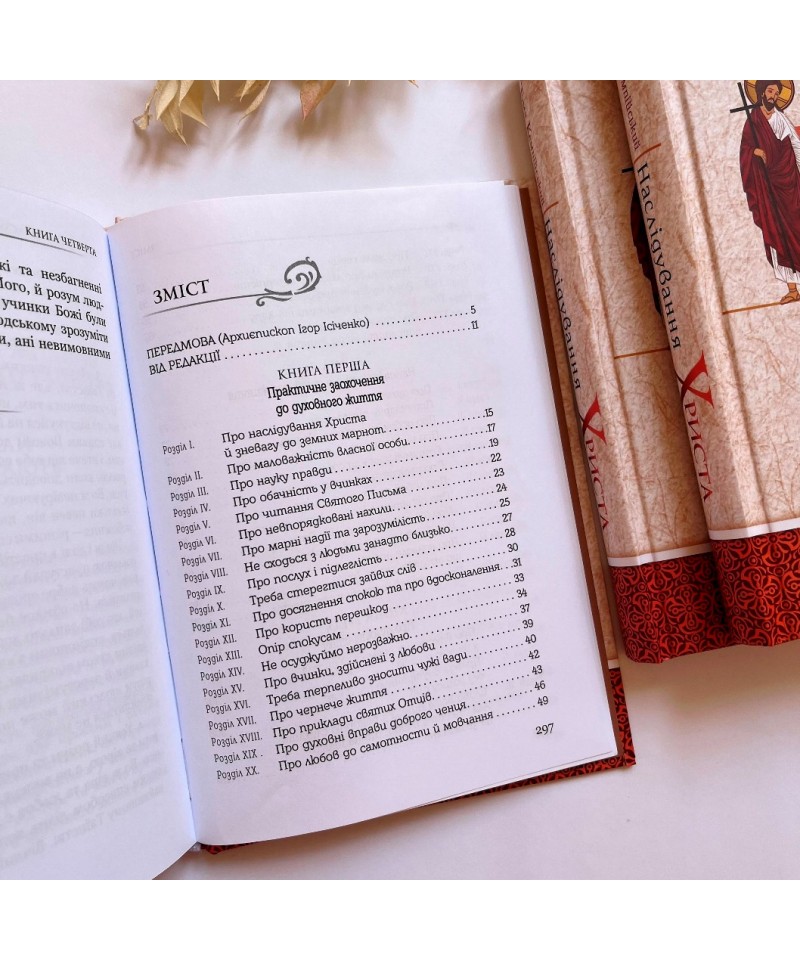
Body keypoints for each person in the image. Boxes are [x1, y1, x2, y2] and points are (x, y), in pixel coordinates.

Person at [740, 80, 800, 303]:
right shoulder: (752, 122)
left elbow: (795, 145)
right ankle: (793, 290)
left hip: (790, 183)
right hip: (767, 186)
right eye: (770, 91)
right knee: (778, 234)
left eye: (776, 92)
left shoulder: (780, 118)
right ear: (762, 93)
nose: (773, 95)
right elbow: (745, 151)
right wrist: (754, 152)